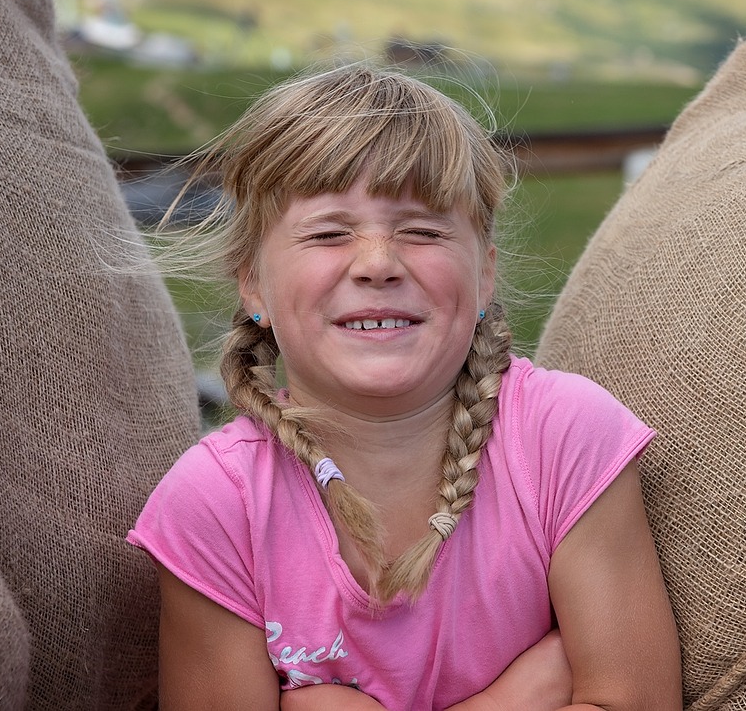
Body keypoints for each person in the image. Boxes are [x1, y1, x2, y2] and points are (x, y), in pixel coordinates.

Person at [127, 63, 682, 710]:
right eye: (330, 233)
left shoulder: (565, 435)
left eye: (421, 230)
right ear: (253, 283)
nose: (378, 264)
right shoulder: (217, 503)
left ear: (483, 276)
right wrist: (526, 694)